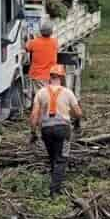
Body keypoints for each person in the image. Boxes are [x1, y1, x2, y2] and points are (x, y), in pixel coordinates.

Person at [30, 64, 82, 196]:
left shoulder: (41, 92)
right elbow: (78, 113)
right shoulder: (68, 92)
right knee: (61, 159)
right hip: (63, 129)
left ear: (50, 77)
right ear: (62, 77)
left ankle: (55, 181)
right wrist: (77, 123)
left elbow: (34, 115)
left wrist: (33, 132)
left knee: (53, 157)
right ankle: (54, 191)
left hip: (46, 129)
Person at [26, 19, 59, 89]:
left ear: (41, 32)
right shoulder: (54, 42)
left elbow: (26, 48)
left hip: (37, 75)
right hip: (50, 75)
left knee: (39, 96)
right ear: (51, 32)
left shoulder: (34, 42)